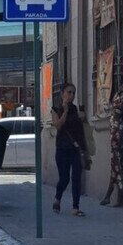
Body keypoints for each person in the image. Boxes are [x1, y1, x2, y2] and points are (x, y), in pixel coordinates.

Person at [51, 82, 87, 217]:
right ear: (62, 94)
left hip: (75, 148)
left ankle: (75, 207)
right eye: (69, 92)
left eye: (73, 93)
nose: (71, 95)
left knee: (76, 177)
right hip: (62, 149)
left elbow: (80, 132)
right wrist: (65, 110)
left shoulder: (75, 109)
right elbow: (58, 126)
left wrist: (84, 150)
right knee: (64, 178)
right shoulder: (55, 109)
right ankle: (57, 198)